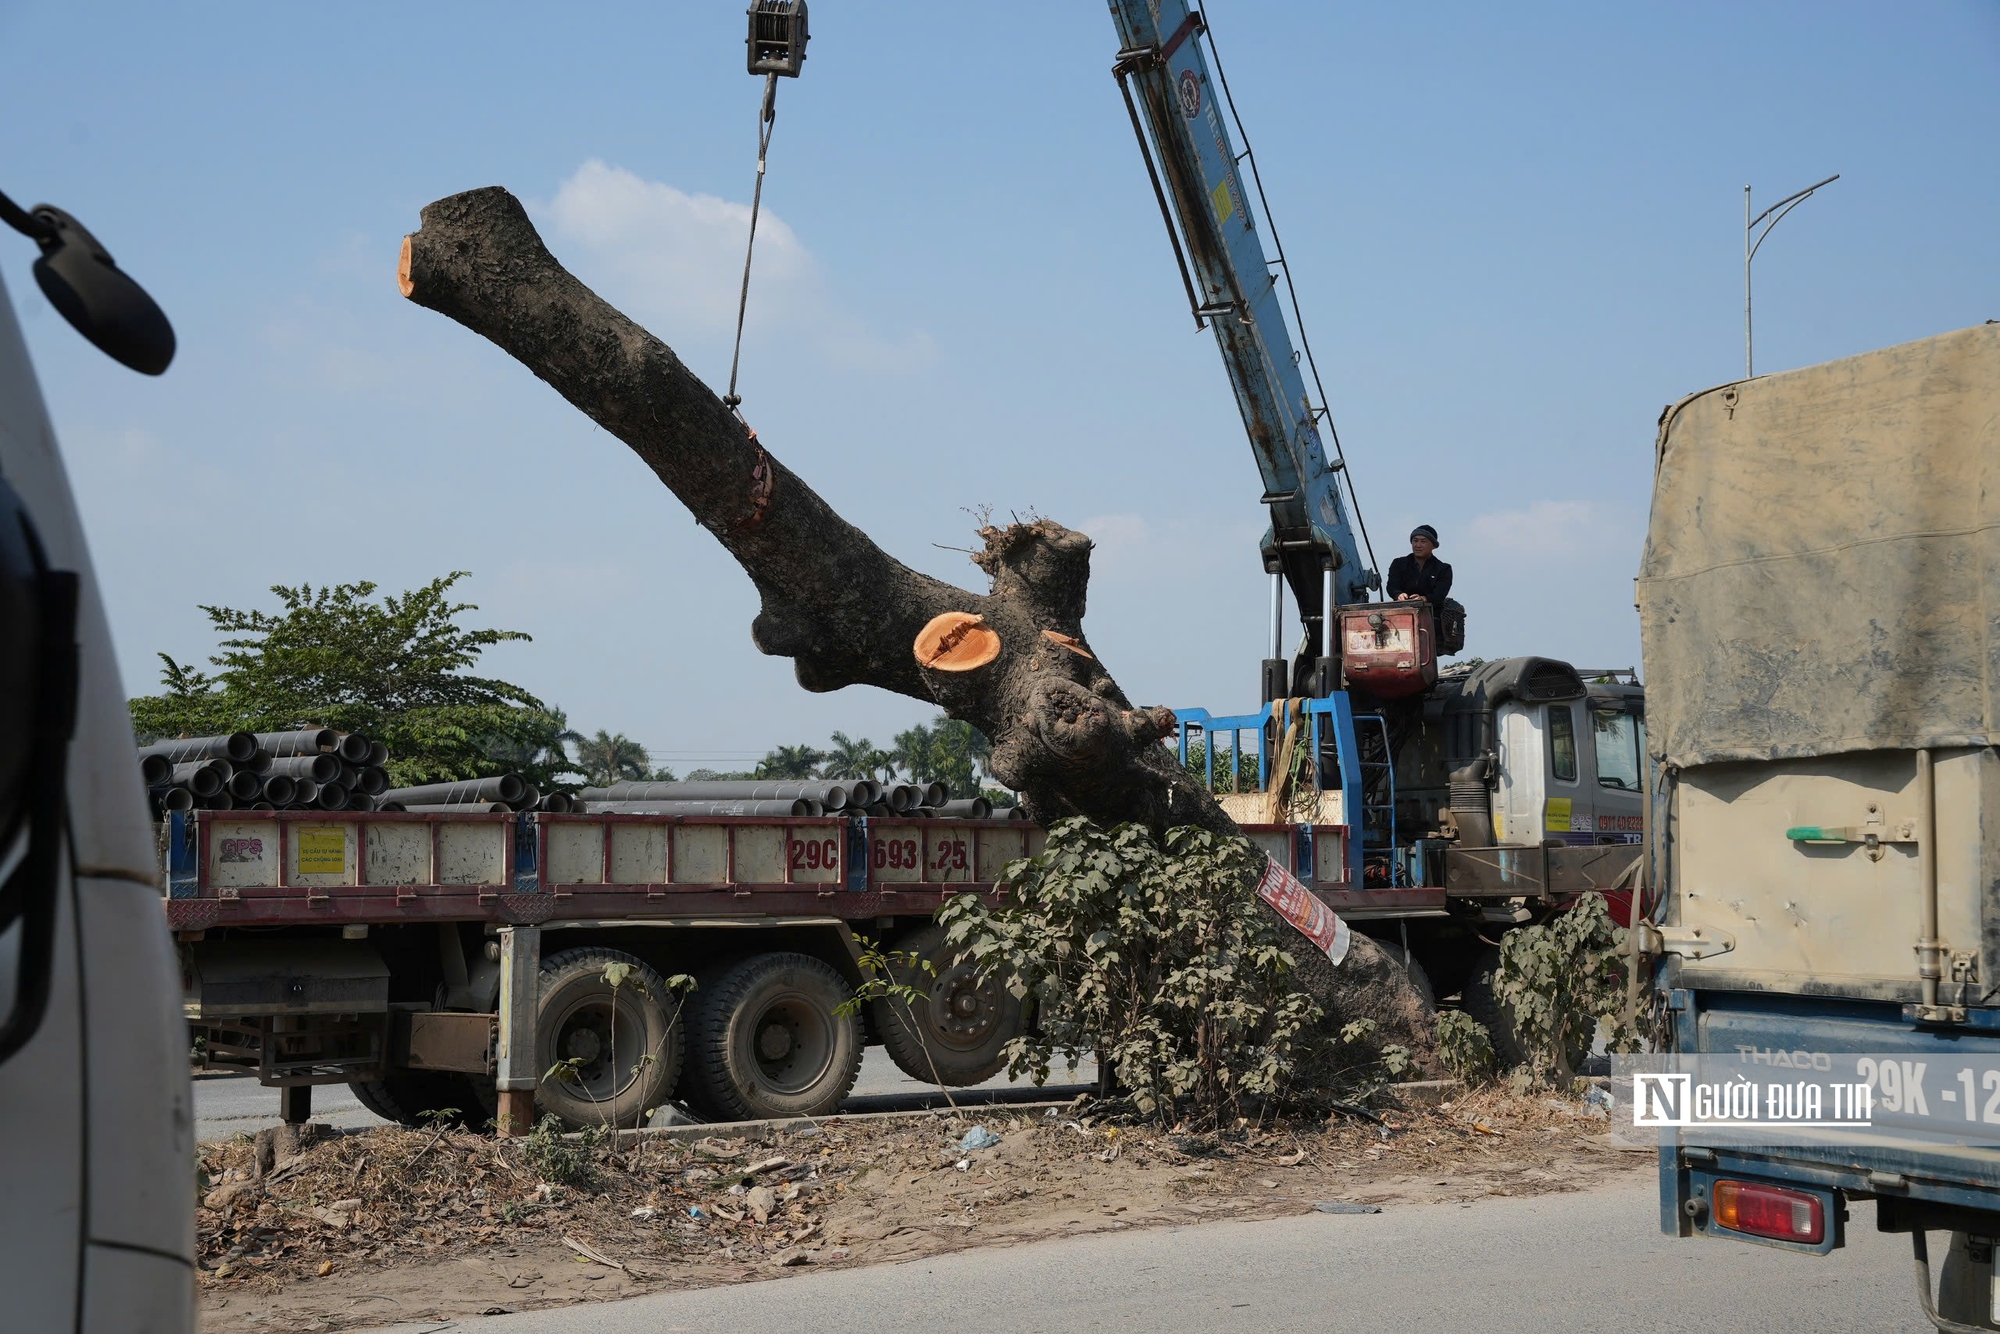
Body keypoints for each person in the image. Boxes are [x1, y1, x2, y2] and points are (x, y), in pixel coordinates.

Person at [1386, 524, 1452, 617]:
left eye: (1423, 541)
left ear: (1433, 545)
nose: (1418, 545)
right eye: (1415, 541)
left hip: (1432, 617)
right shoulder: (1398, 563)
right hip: (1401, 614)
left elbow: (1440, 594)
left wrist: (1424, 599)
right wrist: (1398, 594)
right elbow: (1391, 586)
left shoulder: (1443, 569)